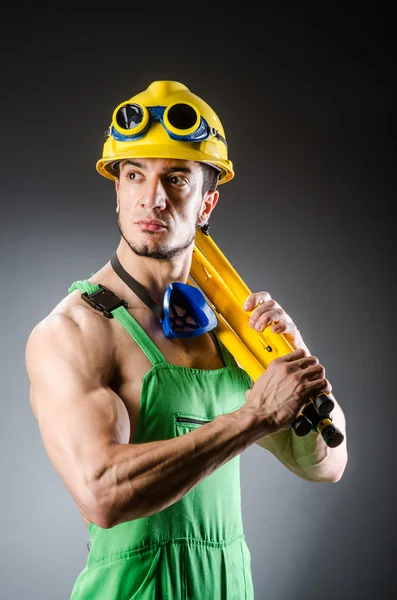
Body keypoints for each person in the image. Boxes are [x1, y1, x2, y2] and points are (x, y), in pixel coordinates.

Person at [25, 80, 348, 599]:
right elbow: (102, 492)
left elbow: (326, 464)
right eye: (135, 175)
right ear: (117, 189)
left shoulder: (232, 327)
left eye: (176, 179)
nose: (151, 198)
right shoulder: (74, 331)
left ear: (206, 203)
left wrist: (298, 366)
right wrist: (252, 418)